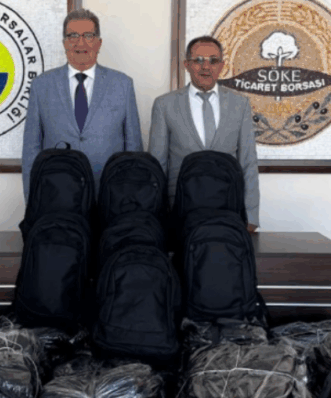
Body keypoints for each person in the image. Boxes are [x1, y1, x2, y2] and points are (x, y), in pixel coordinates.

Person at [21, 9, 143, 200]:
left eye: (88, 35)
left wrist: (131, 199)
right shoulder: (41, 85)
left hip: (110, 195)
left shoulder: (123, 84)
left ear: (99, 43)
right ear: (64, 43)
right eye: (73, 36)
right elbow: (31, 148)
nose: (80, 43)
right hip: (57, 194)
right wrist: (32, 199)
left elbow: (133, 148)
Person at [148, 36, 260, 232]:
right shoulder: (165, 105)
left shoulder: (240, 104)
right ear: (187, 65)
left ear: (222, 66)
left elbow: (248, 162)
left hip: (228, 207)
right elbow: (157, 166)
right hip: (180, 210)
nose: (206, 67)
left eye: (213, 60)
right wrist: (157, 215)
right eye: (198, 60)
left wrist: (251, 216)